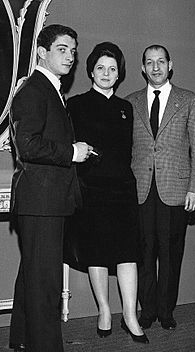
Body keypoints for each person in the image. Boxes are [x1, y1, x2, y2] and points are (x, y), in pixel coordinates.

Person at [9, 24, 92, 352]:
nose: (70, 56)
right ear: (42, 52)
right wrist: (73, 151)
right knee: (45, 284)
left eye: (73, 50)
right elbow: (28, 145)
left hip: (45, 200)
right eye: (62, 49)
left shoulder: (48, 89)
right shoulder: (35, 90)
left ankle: (20, 339)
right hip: (41, 200)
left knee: (32, 275)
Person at [64, 42, 149, 344]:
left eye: (112, 69)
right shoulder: (75, 105)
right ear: (90, 71)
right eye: (100, 67)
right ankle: (104, 311)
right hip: (92, 191)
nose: (106, 73)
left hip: (123, 190)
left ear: (119, 74)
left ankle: (130, 316)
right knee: (96, 254)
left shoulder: (126, 108)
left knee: (129, 254)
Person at [126, 44, 195, 330]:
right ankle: (147, 311)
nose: (156, 67)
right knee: (144, 252)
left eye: (161, 61)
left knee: (172, 254)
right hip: (141, 190)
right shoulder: (131, 102)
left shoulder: (188, 100)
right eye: (150, 62)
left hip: (176, 190)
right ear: (143, 68)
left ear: (170, 65)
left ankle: (166, 310)